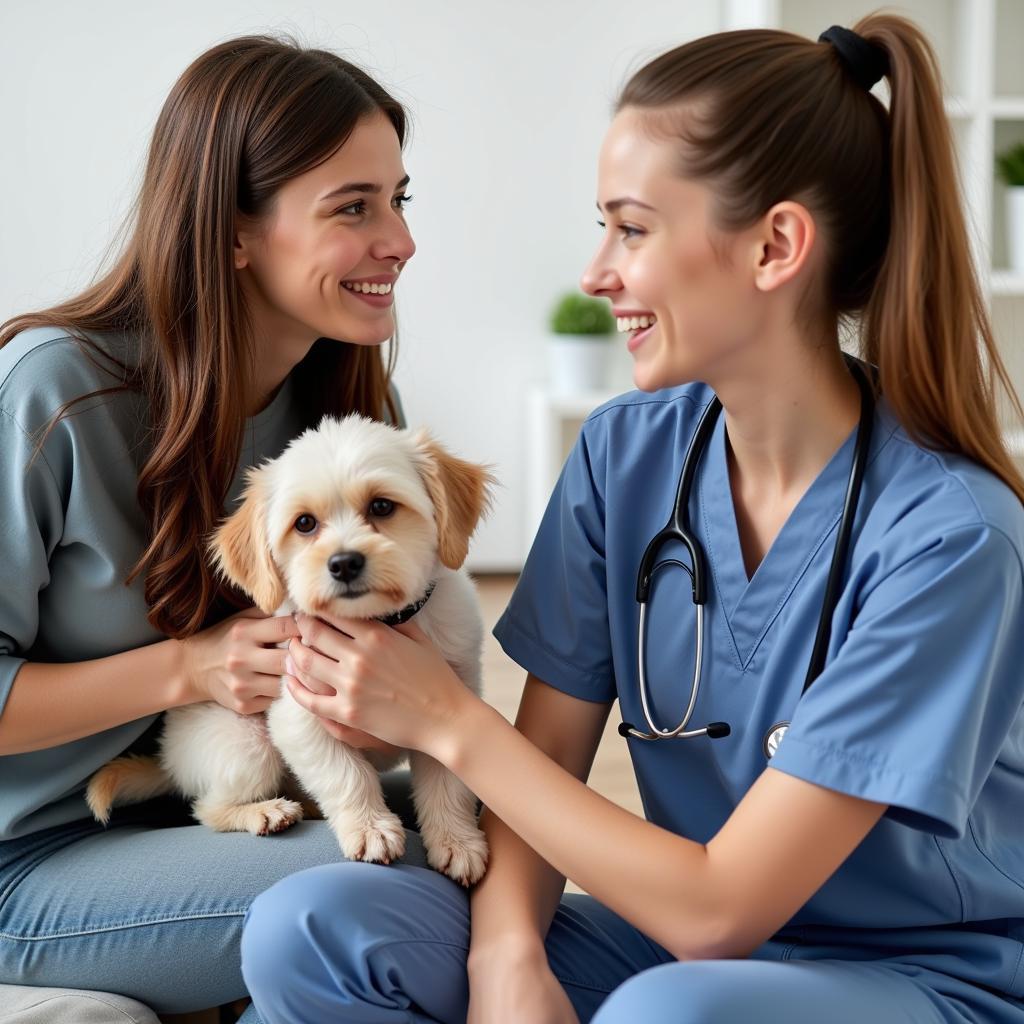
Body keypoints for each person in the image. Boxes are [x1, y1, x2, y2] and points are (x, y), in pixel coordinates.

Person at [239, 14, 1024, 1024]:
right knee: (311, 926)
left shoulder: (948, 538)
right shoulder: (625, 455)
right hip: (668, 937)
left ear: (776, 246)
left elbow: (721, 911)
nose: (596, 271)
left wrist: (445, 718)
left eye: (632, 228)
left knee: (667, 1015)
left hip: (908, 973)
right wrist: (507, 961)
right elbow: (548, 764)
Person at [0, 34, 423, 1021]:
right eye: (353, 207)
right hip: (33, 858)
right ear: (234, 231)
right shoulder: (56, 392)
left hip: (219, 808)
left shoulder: (348, 411)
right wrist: (188, 669)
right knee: (377, 891)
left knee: (490, 839)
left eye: (401, 200)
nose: (398, 239)